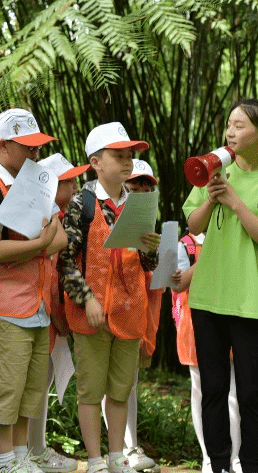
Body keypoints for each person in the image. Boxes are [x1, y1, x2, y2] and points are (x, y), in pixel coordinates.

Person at [183, 99, 258, 473]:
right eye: (229, 125)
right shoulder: (216, 170)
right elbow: (194, 224)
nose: (230, 132)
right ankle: (218, 464)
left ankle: (251, 466)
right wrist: (213, 197)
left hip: (251, 302)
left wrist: (235, 202)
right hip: (207, 297)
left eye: (239, 126)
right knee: (214, 391)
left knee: (251, 393)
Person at [59, 122, 161, 473]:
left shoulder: (138, 202)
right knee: (90, 388)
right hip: (93, 313)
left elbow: (146, 262)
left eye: (129, 155)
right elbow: (65, 257)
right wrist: (85, 298)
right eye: (118, 155)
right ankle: (94, 458)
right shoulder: (81, 202)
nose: (127, 161)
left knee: (121, 388)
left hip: (130, 310)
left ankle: (117, 456)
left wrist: (151, 249)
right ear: (95, 162)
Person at [0, 108, 67, 473]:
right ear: (3, 146)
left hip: (37, 304)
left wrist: (39, 244)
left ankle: (22, 455)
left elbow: (58, 241)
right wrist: (39, 244)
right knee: (6, 389)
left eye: (37, 147)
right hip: (4, 305)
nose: (33, 154)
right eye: (25, 146)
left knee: (31, 390)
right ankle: (5, 461)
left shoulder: (38, 184)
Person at [27, 152, 89, 473]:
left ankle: (35, 449)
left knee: (42, 382)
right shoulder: (44, 216)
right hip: (41, 313)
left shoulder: (60, 213)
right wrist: (60, 319)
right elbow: (49, 276)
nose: (76, 184)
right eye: (69, 180)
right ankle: (30, 452)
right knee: (35, 384)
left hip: (47, 314)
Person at [103, 158, 159, 471]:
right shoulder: (99, 208)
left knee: (129, 381)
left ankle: (129, 447)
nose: (139, 190)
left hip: (136, 308)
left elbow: (151, 268)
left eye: (145, 185)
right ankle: (114, 451)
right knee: (102, 382)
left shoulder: (147, 220)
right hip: (104, 306)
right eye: (135, 183)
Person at [171, 233, 243, 473]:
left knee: (234, 392)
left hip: (232, 318)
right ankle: (209, 456)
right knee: (201, 390)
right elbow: (177, 283)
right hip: (195, 324)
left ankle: (235, 457)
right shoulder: (185, 245)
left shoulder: (236, 236)